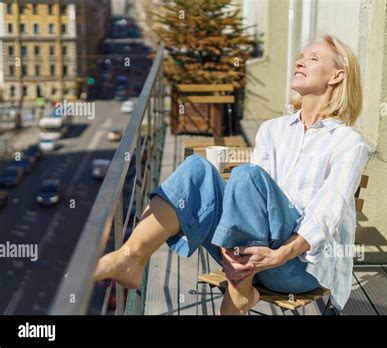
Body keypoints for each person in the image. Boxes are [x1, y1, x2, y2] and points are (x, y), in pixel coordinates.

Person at [94, 34, 369, 315]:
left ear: (337, 76)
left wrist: (278, 255)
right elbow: (254, 204)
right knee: (197, 169)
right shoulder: (273, 130)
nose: (300, 61)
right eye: (301, 56)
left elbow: (328, 213)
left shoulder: (348, 143)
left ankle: (239, 292)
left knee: (246, 175)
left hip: (298, 267)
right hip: (252, 255)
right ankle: (132, 257)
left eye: (313, 58)